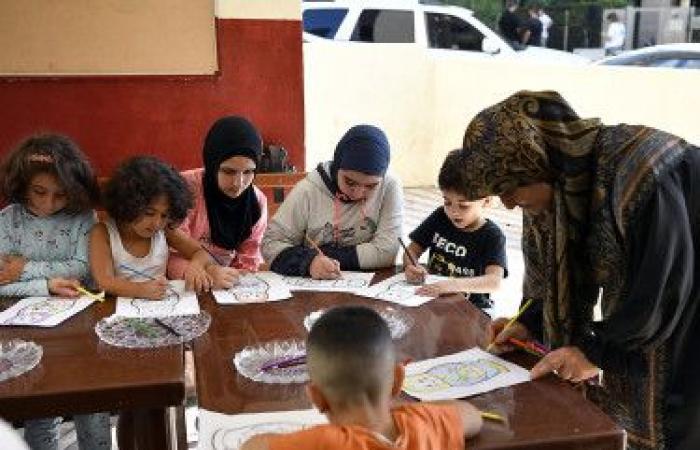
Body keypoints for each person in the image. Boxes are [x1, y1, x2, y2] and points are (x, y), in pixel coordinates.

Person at [457, 90, 700, 450]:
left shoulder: (641, 176)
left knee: (679, 402)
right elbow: (552, 276)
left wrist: (594, 352)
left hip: (688, 293)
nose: (507, 203)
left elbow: (663, 289)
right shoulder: (560, 186)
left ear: (541, 163)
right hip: (664, 290)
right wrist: (529, 322)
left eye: (511, 187)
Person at [240, 306, 483, 450]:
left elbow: (252, 445)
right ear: (398, 380)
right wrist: (418, 412)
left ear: (317, 397)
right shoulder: (424, 425)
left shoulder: (324, 443)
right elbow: (473, 416)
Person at [0, 134, 111, 449]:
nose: (48, 203)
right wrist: (46, 284)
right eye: (39, 192)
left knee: (91, 403)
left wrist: (23, 269)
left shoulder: (81, 217)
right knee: (39, 407)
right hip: (27, 329)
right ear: (22, 184)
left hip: (82, 327)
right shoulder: (7, 220)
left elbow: (81, 268)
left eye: (60, 195)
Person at [262, 125, 403, 280]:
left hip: (369, 285)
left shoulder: (389, 186)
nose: (357, 193)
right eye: (350, 182)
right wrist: (308, 263)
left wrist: (323, 255)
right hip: (314, 285)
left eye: (371, 186)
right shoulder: (308, 191)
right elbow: (271, 244)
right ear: (337, 167)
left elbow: (387, 252)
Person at [90, 156, 214, 299]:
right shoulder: (103, 232)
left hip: (161, 306)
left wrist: (196, 266)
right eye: (149, 213)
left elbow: (201, 252)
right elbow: (104, 282)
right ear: (128, 204)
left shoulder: (164, 230)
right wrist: (140, 290)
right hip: (117, 309)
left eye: (164, 215)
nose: (157, 223)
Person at [167, 116, 268, 288]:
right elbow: (171, 254)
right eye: (229, 172)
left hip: (225, 289)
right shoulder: (186, 188)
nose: (239, 183)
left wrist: (235, 278)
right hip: (186, 285)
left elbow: (248, 260)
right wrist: (208, 275)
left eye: (249, 172)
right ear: (212, 163)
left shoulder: (256, 203)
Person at [403, 150, 507, 310]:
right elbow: (412, 249)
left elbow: (494, 282)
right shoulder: (440, 217)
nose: (453, 211)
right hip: (432, 301)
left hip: (471, 309)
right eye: (447, 202)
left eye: (464, 205)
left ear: (486, 201)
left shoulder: (492, 235)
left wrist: (452, 285)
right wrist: (411, 265)